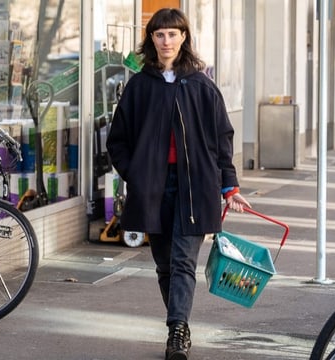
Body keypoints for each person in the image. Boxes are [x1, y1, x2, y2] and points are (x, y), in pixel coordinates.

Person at [106, 8, 251, 360]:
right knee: (165, 265)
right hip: (152, 188)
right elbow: (117, 140)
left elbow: (222, 139)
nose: (166, 41)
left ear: (184, 37)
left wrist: (228, 186)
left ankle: (177, 331)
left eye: (173, 34)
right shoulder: (140, 87)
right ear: (151, 39)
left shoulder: (202, 86)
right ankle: (179, 324)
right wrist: (135, 175)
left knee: (184, 262)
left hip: (195, 187)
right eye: (160, 35)